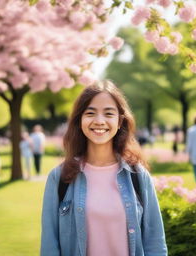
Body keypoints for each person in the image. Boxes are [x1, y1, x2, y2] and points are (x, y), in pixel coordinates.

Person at [41, 80, 167, 256]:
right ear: (80, 120)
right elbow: (49, 246)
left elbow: (155, 244)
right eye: (90, 113)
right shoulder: (59, 177)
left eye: (109, 114)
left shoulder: (138, 176)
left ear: (119, 121)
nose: (99, 121)